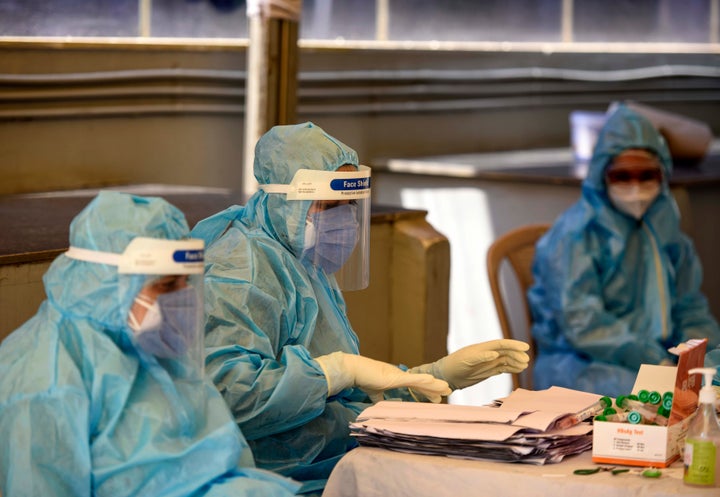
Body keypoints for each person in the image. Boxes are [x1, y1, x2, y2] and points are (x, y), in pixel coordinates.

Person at [191, 121, 530, 494]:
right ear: (286, 199)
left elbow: (341, 395)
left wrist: (429, 379)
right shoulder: (242, 270)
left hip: (329, 462)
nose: (343, 220)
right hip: (273, 478)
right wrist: (336, 371)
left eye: (350, 206)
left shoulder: (303, 264)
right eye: (329, 206)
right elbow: (231, 399)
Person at [0, 191, 300, 497]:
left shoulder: (148, 342)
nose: (183, 299)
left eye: (186, 283)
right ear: (108, 282)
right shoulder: (45, 378)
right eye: (168, 286)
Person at [528, 103, 720, 398]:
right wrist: (654, 360)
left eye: (646, 175)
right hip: (585, 364)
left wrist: (700, 356)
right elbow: (583, 324)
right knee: (659, 396)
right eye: (622, 176)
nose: (635, 186)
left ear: (662, 175)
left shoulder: (665, 232)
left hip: (663, 358)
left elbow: (690, 307)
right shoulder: (575, 236)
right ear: (601, 175)